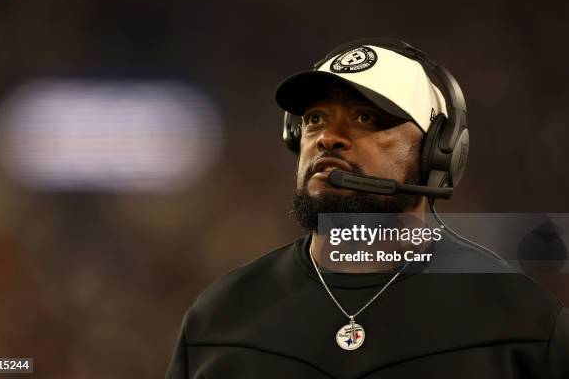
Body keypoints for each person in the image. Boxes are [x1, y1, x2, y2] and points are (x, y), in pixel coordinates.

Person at [166, 38, 569, 378]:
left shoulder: (524, 324)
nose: (328, 138)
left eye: (365, 117)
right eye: (315, 118)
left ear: (439, 152)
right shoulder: (218, 319)